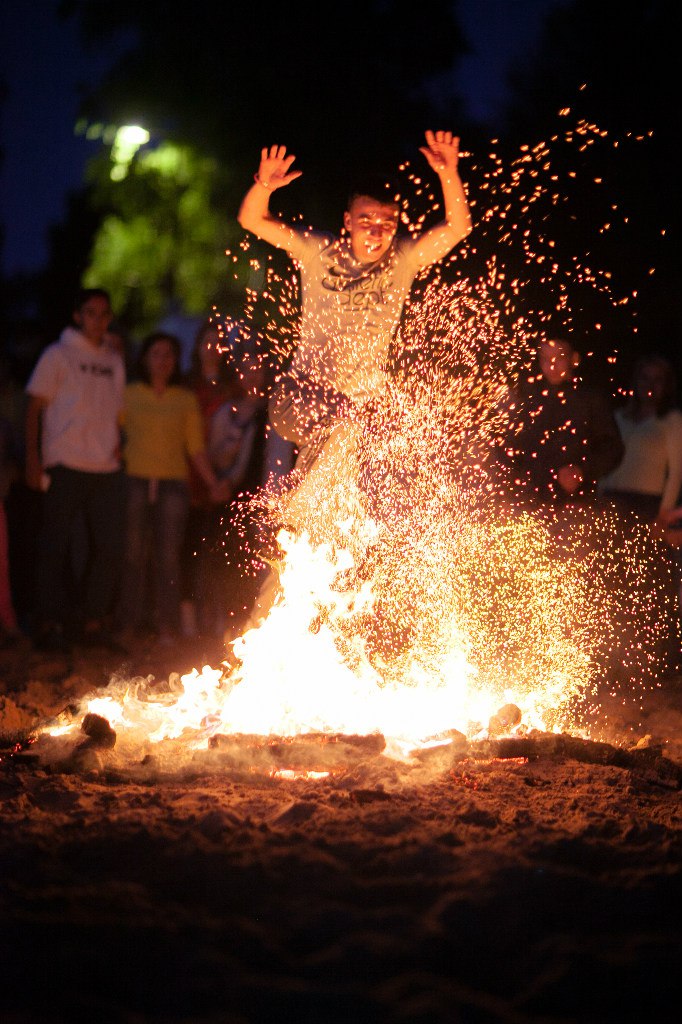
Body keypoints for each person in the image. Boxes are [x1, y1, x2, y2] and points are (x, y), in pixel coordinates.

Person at [237, 130, 472, 488]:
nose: (376, 234)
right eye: (366, 223)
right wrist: (264, 187)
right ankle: (305, 505)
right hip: (298, 396)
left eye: (386, 225)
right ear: (348, 222)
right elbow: (252, 220)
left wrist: (448, 174)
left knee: (364, 451)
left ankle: (312, 513)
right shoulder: (320, 252)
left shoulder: (402, 260)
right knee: (344, 423)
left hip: (355, 412)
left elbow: (458, 228)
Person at [25, 288, 126, 652]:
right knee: (55, 545)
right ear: (77, 316)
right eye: (90, 312)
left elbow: (117, 409)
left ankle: (92, 621)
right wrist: (33, 458)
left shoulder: (113, 359)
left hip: (106, 466)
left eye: (103, 313)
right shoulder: (58, 354)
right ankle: (47, 624)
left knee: (111, 546)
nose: (97, 320)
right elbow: (35, 406)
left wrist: (119, 440)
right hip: (65, 462)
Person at [117, 331, 229, 647]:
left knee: (168, 557)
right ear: (145, 358)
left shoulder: (184, 399)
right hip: (135, 480)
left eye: (168, 355)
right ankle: (128, 623)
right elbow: (112, 432)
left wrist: (212, 483)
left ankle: (167, 625)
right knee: (133, 555)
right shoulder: (129, 394)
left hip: (172, 486)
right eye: (156, 353)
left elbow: (195, 447)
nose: (162, 360)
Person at [496, 337, 624, 513]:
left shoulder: (590, 399)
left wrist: (582, 471)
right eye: (545, 358)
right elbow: (509, 448)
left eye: (560, 357)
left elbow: (612, 447)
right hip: (528, 505)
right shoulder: (529, 398)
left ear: (574, 359)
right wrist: (507, 490)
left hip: (574, 506)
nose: (552, 366)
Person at [599, 353, 682, 527]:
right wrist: (599, 493)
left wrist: (665, 511)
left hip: (645, 503)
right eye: (645, 378)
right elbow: (606, 458)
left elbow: (676, 471)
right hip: (610, 497)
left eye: (657, 379)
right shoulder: (619, 417)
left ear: (666, 385)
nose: (650, 385)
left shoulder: (671, 421)